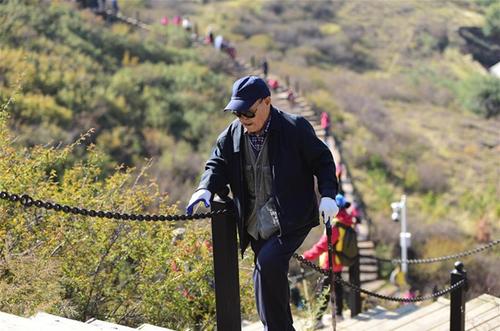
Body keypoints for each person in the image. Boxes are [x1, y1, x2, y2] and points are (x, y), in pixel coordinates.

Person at [186, 75, 339, 330]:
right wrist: (205, 188)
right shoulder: (232, 134)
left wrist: (328, 196)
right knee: (265, 274)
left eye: (247, 111)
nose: (243, 119)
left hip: (292, 218)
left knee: (267, 264)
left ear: (266, 101)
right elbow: (217, 163)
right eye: (237, 113)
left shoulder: (295, 128)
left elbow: (323, 160)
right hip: (254, 222)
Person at [302, 194, 354, 329]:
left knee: (323, 292)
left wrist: (307, 256)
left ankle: (318, 320)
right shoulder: (347, 222)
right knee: (338, 289)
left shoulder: (335, 225)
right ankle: (339, 314)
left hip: (329, 264)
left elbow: (323, 245)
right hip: (339, 262)